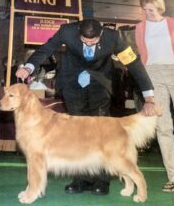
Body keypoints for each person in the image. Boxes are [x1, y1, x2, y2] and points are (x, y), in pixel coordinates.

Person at [16, 19, 157, 196]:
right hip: (72, 83)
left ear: (101, 34)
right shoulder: (67, 31)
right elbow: (46, 49)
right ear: (78, 33)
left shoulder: (114, 38)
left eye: (93, 41)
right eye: (85, 40)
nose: (89, 43)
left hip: (99, 83)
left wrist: (149, 97)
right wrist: (28, 67)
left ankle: (101, 181)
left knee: (102, 132)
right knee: (75, 134)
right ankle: (80, 180)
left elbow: (134, 64)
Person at [135, 0, 174, 193]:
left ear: (159, 8)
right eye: (144, 9)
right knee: (163, 128)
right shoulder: (140, 27)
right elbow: (142, 52)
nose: (146, 12)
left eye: (150, 9)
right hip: (153, 74)